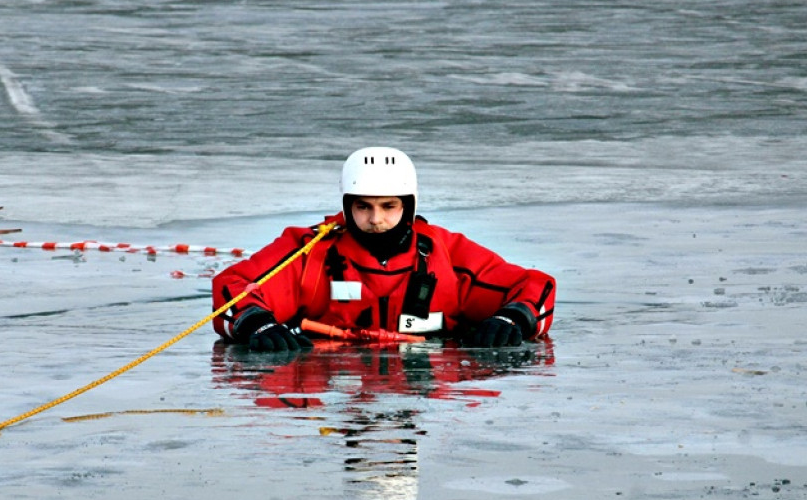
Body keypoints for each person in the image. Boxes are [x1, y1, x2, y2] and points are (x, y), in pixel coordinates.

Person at [211, 147, 556, 351]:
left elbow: (535, 286)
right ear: (347, 206)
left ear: (408, 205)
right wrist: (255, 322)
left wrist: (514, 316)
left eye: (388, 206)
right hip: (333, 379)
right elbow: (234, 285)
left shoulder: (445, 253)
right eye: (363, 207)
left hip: (425, 378)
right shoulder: (311, 252)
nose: (375, 219)